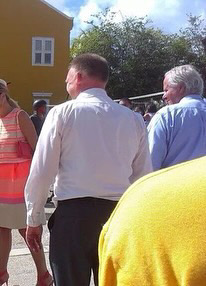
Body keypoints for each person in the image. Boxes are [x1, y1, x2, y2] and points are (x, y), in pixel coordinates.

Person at [24, 53, 152, 286]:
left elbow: (43, 171)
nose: (66, 82)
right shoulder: (133, 119)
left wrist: (34, 219)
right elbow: (143, 177)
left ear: (79, 76)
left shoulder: (62, 113)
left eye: (68, 77)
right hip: (118, 214)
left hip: (74, 217)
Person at [0, 77, 53, 286]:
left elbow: (37, 150)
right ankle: (1, 274)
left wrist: (39, 182)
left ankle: (43, 275)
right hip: (2, 177)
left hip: (22, 177)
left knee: (27, 229)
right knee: (3, 228)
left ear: (3, 94)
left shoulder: (20, 116)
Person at [98, 155, 206, 285]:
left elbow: (150, 163)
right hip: (138, 205)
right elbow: (142, 168)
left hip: (148, 208)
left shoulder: (141, 203)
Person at [147, 64, 206, 171]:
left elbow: (149, 165)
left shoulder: (166, 116)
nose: (163, 96)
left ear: (181, 88)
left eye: (166, 90)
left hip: (175, 186)